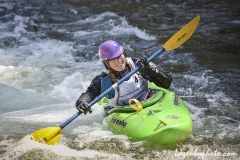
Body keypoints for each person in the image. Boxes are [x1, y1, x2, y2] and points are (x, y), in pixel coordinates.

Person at [75, 40, 172, 114]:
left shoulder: (139, 64)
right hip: (124, 112)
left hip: (148, 101)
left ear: (124, 54)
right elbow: (90, 94)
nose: (118, 61)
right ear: (106, 64)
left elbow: (167, 83)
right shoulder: (104, 80)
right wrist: (82, 102)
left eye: (119, 56)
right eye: (112, 60)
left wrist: (152, 71)